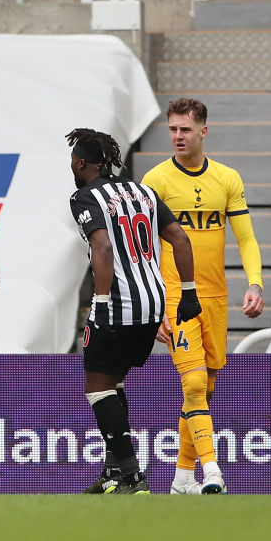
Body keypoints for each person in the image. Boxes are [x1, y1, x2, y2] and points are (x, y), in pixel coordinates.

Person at [67, 128, 201, 495]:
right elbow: (180, 238)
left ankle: (132, 476)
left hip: (118, 302)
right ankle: (113, 473)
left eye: (73, 162)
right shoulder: (145, 191)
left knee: (97, 387)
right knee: (115, 381)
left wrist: (104, 304)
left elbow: (103, 247)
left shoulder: (84, 196)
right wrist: (187, 294)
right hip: (153, 301)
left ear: (80, 162)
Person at [142, 98, 264, 495]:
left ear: (203, 132)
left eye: (185, 130)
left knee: (206, 389)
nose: (177, 136)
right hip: (175, 297)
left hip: (214, 297)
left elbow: (245, 237)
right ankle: (212, 470)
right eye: (173, 129)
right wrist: (153, 302)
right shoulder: (155, 181)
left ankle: (180, 478)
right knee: (193, 383)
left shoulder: (227, 178)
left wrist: (255, 282)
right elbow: (143, 248)